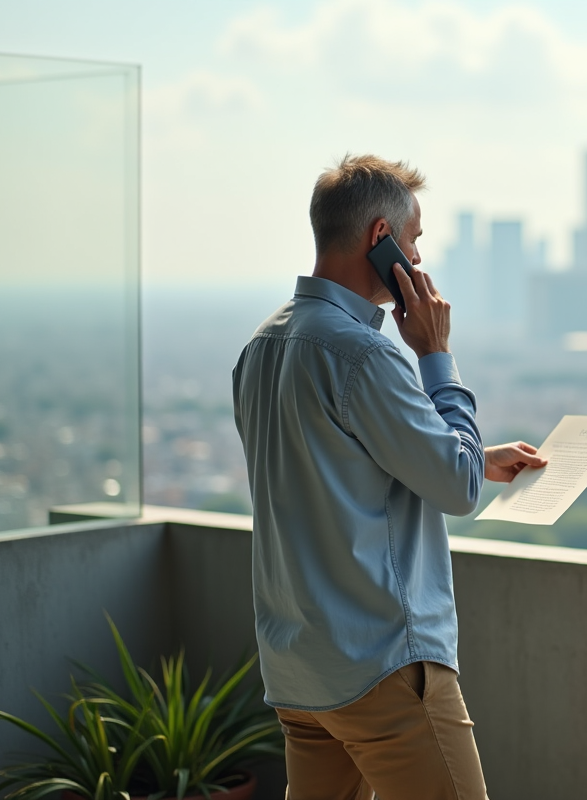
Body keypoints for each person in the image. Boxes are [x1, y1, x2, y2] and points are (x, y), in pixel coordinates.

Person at [233, 154, 545, 799]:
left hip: (300, 668)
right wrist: (435, 355)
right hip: (382, 669)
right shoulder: (365, 353)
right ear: (382, 238)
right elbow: (455, 491)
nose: (420, 260)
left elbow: (332, 465)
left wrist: (474, 457)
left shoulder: (261, 347)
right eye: (415, 239)